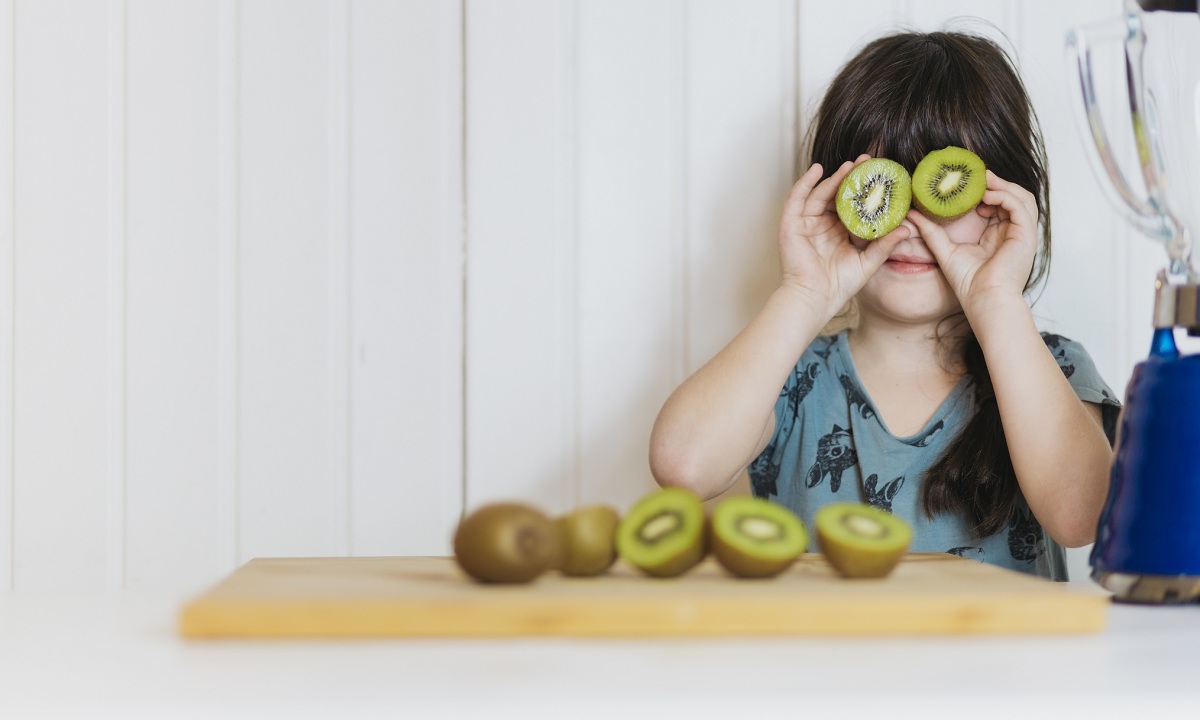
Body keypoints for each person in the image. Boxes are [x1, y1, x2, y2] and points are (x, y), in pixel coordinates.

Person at [647, 30, 1122, 579]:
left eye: (941, 191)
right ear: (838, 201)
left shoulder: (1053, 369)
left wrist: (996, 300)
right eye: (886, 187)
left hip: (1003, 666)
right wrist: (804, 293)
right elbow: (683, 466)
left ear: (1003, 207)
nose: (911, 225)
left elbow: (1082, 515)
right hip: (828, 665)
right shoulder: (788, 379)